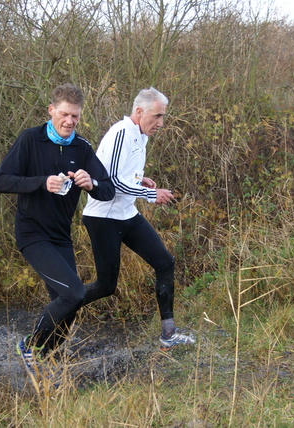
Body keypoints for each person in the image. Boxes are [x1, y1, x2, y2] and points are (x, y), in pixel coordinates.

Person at [0, 84, 115, 374]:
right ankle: (30, 347)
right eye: (64, 114)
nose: (69, 121)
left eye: (75, 116)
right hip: (33, 234)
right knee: (74, 292)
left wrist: (92, 184)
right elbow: (1, 181)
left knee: (70, 307)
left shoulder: (82, 148)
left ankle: (43, 358)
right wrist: (40, 182)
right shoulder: (30, 140)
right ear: (51, 111)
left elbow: (108, 191)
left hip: (61, 236)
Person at [82, 87, 195, 350]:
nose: (161, 123)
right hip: (104, 218)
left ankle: (168, 334)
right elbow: (109, 183)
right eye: (157, 116)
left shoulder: (139, 136)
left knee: (165, 262)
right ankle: (62, 303)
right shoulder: (122, 132)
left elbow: (119, 172)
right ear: (139, 111)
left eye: (163, 117)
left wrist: (138, 179)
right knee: (105, 286)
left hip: (126, 214)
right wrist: (149, 193)